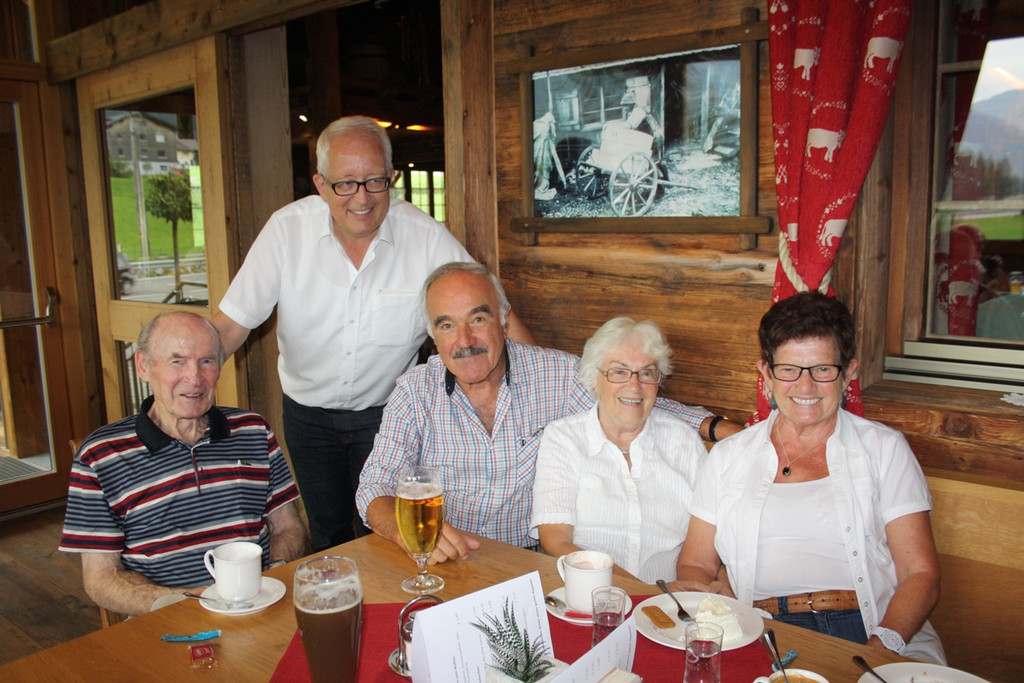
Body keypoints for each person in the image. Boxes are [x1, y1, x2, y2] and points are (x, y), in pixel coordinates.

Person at [212, 115, 533, 552]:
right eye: (345, 184)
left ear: (392, 178)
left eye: (375, 182)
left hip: (385, 416)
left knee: (387, 536)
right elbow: (232, 324)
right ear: (321, 185)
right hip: (307, 415)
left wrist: (538, 385)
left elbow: (490, 309)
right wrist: (187, 377)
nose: (361, 198)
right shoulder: (286, 231)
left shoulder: (424, 236)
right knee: (327, 532)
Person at [355, 262, 739, 563]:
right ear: (433, 335)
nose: (465, 340)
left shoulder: (555, 375)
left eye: (478, 318)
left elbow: (629, 395)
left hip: (526, 564)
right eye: (446, 325)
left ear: (503, 320)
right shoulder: (415, 391)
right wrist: (409, 533)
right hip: (443, 560)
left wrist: (719, 429)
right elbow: (373, 487)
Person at [672, 292, 945, 664]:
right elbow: (697, 564)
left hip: (868, 626)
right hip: (763, 629)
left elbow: (920, 572)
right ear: (766, 374)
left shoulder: (884, 449)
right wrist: (720, 606)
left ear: (848, 373)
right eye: (789, 370)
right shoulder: (728, 457)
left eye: (822, 370)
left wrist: (879, 651)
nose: (805, 387)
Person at [59, 312, 306, 616]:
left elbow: (288, 527)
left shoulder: (253, 431)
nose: (194, 379)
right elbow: (101, 579)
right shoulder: (100, 456)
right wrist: (186, 604)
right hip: (165, 617)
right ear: (143, 366)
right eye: (177, 361)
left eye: (207, 361)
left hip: (258, 605)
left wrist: (273, 577)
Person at [530, 317, 707, 582]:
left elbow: (704, 550)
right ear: (593, 378)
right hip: (587, 594)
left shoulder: (685, 442)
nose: (634, 386)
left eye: (646, 373)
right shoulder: (563, 439)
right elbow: (555, 542)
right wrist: (640, 593)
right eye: (619, 372)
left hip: (671, 600)